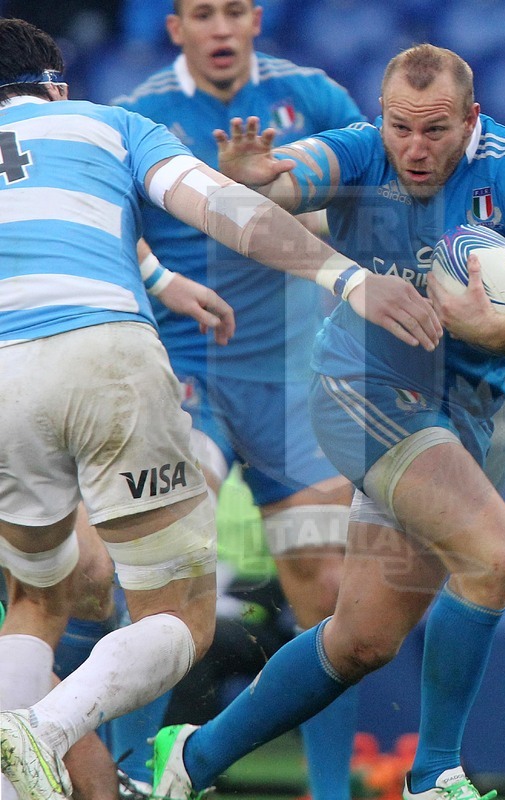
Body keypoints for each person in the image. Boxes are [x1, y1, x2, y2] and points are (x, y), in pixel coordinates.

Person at [146, 43, 505, 800]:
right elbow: (282, 176)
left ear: (472, 119)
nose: (415, 148)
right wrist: (248, 177)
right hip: (360, 391)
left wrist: (495, 332)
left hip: (457, 412)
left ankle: (190, 760)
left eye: (435, 130)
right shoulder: (362, 151)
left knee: (360, 640)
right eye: (401, 126)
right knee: (494, 553)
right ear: (383, 116)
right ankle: (436, 777)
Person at [0, 18, 439, 800]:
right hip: (128, 361)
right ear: (56, 87)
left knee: (38, 595)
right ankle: (77, 746)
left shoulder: (307, 92)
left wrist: (166, 282)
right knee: (173, 604)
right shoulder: (118, 118)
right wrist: (348, 279)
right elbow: (220, 207)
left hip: (40, 376)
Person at [112, 0, 368, 795]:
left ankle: (328, 788)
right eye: (201, 13)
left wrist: (290, 192)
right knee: (168, 574)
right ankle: (124, 772)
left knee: (327, 592)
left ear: (255, 20)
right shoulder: (137, 115)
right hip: (191, 378)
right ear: (176, 28)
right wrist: (160, 278)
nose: (219, 28)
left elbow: (374, 194)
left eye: (232, 11)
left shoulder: (314, 97)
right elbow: (110, 225)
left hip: (293, 386)